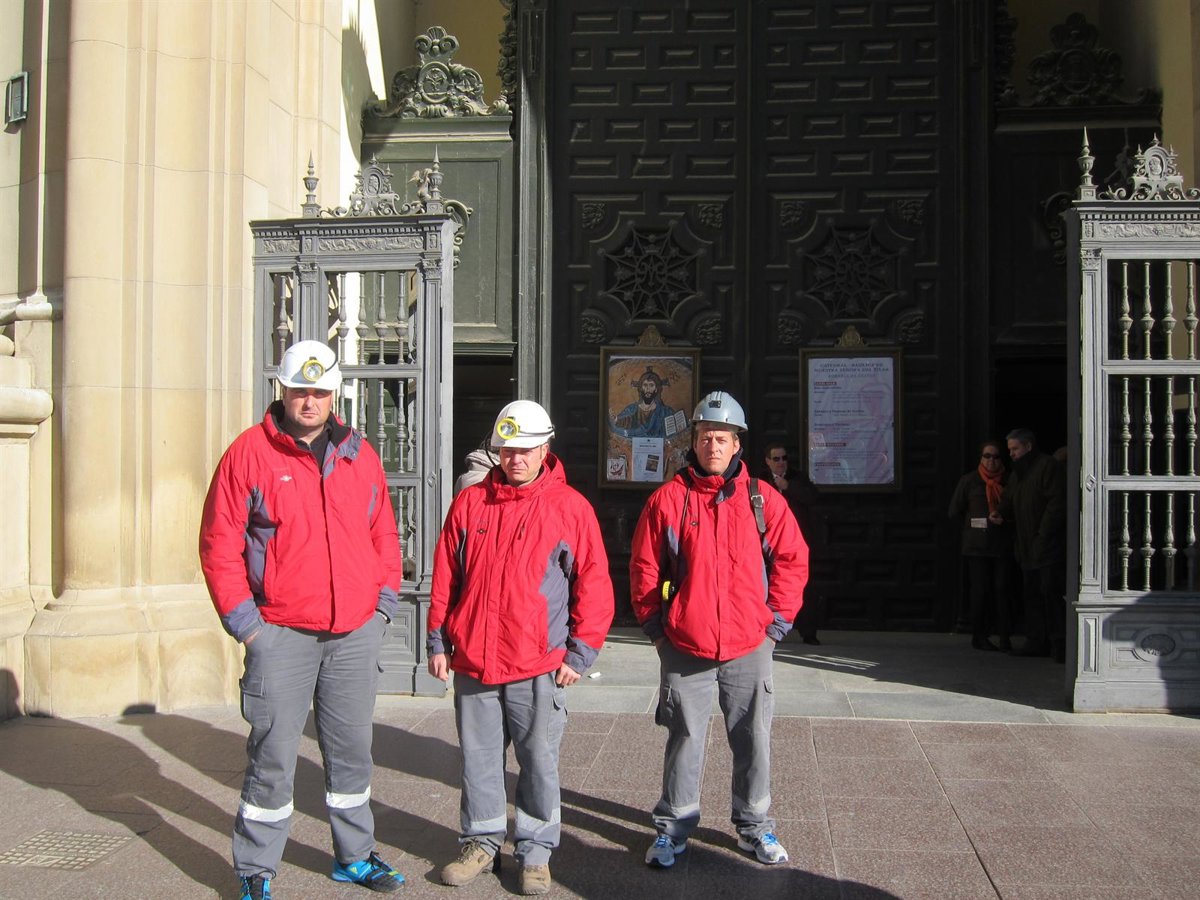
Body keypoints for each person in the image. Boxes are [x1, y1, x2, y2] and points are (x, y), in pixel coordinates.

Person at [199, 340, 405, 900]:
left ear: (333, 394)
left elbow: (384, 533)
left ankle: (355, 856)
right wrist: (249, 627)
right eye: (298, 391)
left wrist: (382, 606)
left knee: (352, 752)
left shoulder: (360, 454)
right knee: (272, 755)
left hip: (353, 632)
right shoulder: (248, 454)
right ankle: (256, 868)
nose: (309, 401)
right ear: (282, 391)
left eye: (319, 391)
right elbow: (220, 544)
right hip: (281, 632)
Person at [427, 399, 615, 895]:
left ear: (545, 449)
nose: (515, 458)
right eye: (507, 450)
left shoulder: (570, 507)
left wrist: (580, 653)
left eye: (525, 450)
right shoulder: (470, 503)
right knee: (478, 761)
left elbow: (594, 584)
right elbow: (446, 575)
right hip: (475, 660)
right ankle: (481, 843)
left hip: (537, 663)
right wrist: (437, 639)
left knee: (538, 764)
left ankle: (535, 852)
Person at [630, 391, 809, 869]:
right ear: (694, 442)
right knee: (684, 737)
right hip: (684, 643)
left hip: (750, 644)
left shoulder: (761, 499)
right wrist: (656, 629)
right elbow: (645, 567)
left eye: (722, 438)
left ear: (737, 445)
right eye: (706, 436)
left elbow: (792, 559)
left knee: (753, 738)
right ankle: (672, 829)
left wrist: (775, 624)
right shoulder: (669, 499)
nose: (713, 445)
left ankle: (754, 826)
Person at [993, 428, 1066, 660]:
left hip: (1047, 545)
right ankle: (1036, 641)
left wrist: (1043, 534)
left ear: (1028, 446)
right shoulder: (1018, 473)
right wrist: (999, 513)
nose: (1011, 454)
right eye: (1010, 450)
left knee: (1050, 594)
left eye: (1015, 449)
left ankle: (1059, 644)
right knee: (1032, 595)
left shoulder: (1047, 466)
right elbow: (1009, 498)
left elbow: (1056, 504)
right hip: (1026, 544)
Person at [948, 440, 1014, 652]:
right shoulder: (969, 481)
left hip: (1002, 545)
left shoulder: (1010, 480)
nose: (991, 460)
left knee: (1002, 590)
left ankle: (1005, 636)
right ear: (981, 458)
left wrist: (1005, 520)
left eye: (996, 456)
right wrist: (972, 528)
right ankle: (979, 636)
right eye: (987, 456)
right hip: (977, 547)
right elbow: (955, 511)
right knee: (980, 592)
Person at [761, 441, 821, 645]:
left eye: (784, 458)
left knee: (804, 587)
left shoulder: (798, 478)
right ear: (768, 461)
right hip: (769, 542)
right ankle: (770, 629)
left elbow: (812, 497)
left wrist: (788, 487)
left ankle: (808, 632)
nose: (781, 462)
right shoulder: (760, 481)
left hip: (797, 540)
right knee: (769, 585)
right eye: (776, 459)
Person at [610, 367, 679, 438]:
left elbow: (671, 433)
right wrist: (616, 419)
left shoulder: (665, 411)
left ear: (656, 389)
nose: (648, 388)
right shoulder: (631, 409)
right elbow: (624, 422)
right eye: (645, 385)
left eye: (651, 385)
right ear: (641, 389)